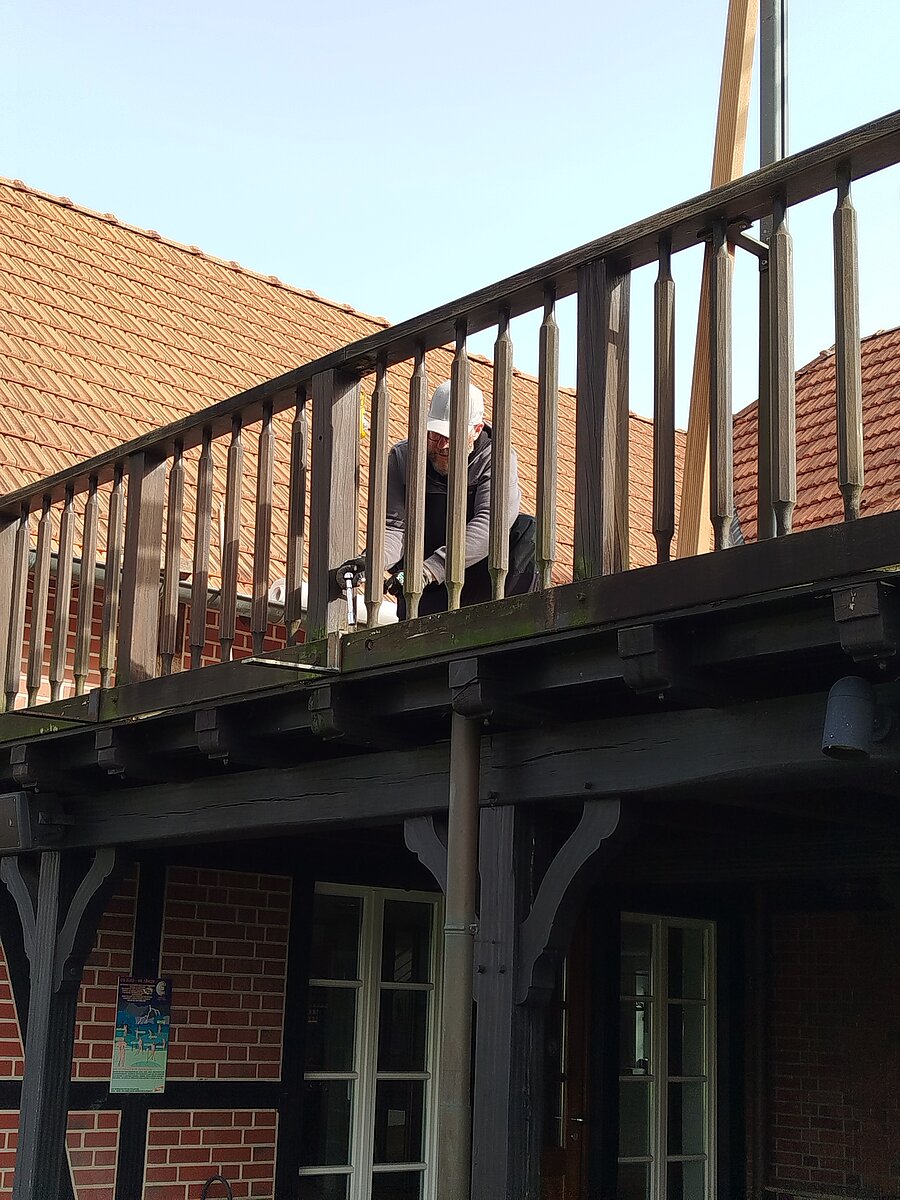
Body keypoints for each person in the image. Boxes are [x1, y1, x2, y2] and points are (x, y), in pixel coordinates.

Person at [336, 379, 537, 617]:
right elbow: (395, 528)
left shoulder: (496, 458)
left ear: (476, 430)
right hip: (427, 587)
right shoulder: (403, 458)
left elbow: (489, 526)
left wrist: (430, 570)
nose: (442, 445)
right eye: (435, 435)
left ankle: (507, 616)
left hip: (478, 577)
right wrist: (372, 562)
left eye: (452, 436)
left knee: (527, 530)